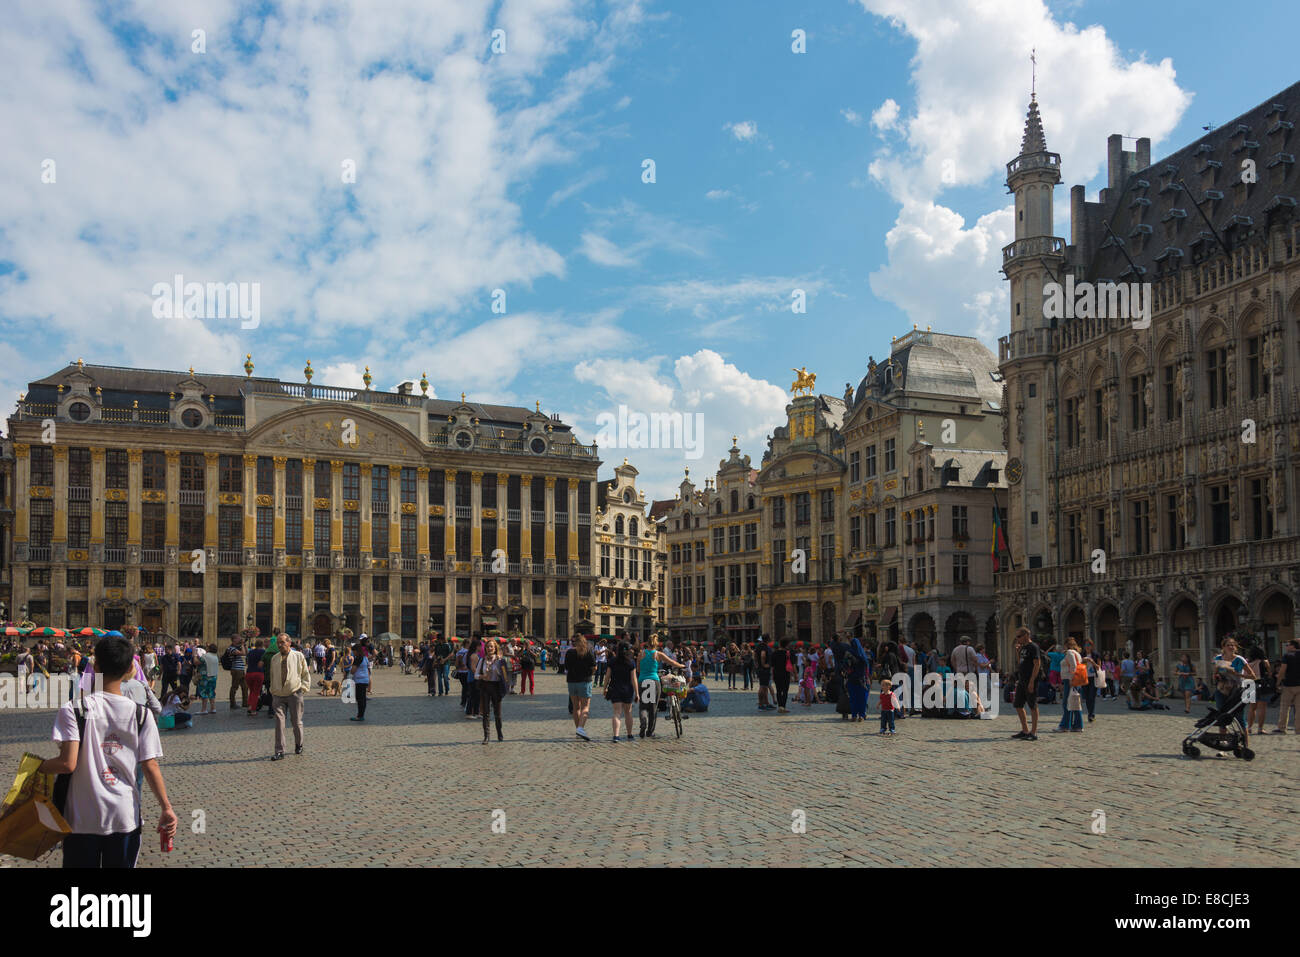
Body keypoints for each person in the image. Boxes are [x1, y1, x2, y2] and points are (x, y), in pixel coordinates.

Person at [39, 635, 178, 868]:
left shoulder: (74, 709)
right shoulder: (141, 714)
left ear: (96, 666)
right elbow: (150, 765)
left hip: (81, 818)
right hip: (123, 816)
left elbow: (67, 764)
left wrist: (36, 766)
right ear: (130, 669)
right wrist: (166, 807)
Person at [269, 634, 311, 759]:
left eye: (282, 642)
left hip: (294, 693)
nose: (279, 645)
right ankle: (279, 751)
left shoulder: (298, 656)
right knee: (279, 723)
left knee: (296, 722)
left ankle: (299, 744)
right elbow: (272, 675)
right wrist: (273, 689)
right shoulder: (274, 658)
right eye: (278, 643)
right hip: (278, 694)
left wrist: (303, 688)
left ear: (289, 643)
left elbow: (305, 673)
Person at [637, 635, 683, 739]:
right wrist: (681, 666)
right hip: (654, 681)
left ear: (647, 643)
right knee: (653, 707)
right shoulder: (658, 654)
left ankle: (643, 722)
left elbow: (638, 669)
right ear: (656, 643)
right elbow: (672, 662)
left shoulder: (641, 654)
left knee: (643, 707)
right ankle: (649, 731)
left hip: (642, 680)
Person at [472, 638, 507, 743]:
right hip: (485, 687)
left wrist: (497, 668)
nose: (489, 648)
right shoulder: (482, 660)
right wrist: (482, 676)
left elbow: (505, 676)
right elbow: (476, 675)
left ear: (495, 648)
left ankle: (499, 733)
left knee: (497, 713)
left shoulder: (500, 660)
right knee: (486, 712)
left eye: (491, 646)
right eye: (487, 647)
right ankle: (486, 736)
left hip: (496, 687)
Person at [1012, 627, 1041, 741]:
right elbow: (1021, 663)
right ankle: (1025, 730)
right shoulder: (1023, 648)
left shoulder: (1033, 647)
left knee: (1032, 705)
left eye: (1019, 636)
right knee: (1018, 705)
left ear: (1026, 635)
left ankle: (1033, 732)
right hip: (1022, 680)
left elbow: (1037, 664)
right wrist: (1018, 652)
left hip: (1030, 680)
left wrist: (1032, 681)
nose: (1017, 638)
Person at [565, 634, 596, 741]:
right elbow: (594, 667)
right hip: (584, 681)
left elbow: (566, 667)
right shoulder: (588, 652)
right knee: (585, 707)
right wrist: (589, 673)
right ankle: (580, 728)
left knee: (575, 707)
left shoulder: (569, 652)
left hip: (572, 682)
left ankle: (578, 730)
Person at [606, 641, 637, 742]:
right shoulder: (631, 662)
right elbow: (634, 679)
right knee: (628, 713)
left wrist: (605, 688)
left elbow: (607, 676)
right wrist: (637, 693)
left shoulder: (612, 661)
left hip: (615, 689)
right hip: (628, 689)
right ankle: (630, 735)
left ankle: (616, 735)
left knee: (617, 713)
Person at [1054, 638, 1084, 732]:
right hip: (1075, 680)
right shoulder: (1077, 653)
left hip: (1070, 680)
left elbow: (1074, 666)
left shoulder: (1070, 653)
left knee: (1066, 703)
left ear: (1067, 644)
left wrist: (1071, 679)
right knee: (1074, 703)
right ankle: (1077, 725)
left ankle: (1065, 725)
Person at [1271, 638, 1300, 734]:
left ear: (1293, 646)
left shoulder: (1287, 656)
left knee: (1284, 707)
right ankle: (1298, 729)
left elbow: (1282, 670)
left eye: (1288, 645)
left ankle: (1282, 728)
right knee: (1299, 708)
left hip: (1288, 685)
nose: (1286, 646)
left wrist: (1278, 682)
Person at [1244, 645, 1270, 735]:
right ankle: (1260, 728)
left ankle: (1249, 727)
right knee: (1262, 707)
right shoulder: (1263, 662)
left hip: (1249, 683)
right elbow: (1268, 672)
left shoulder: (1247, 661)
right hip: (1261, 684)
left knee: (1252, 708)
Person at [845, 637, 869, 722]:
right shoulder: (862, 654)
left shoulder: (848, 654)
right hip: (861, 679)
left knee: (853, 698)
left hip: (852, 678)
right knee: (862, 698)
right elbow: (866, 666)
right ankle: (861, 715)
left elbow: (846, 666)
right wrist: (867, 678)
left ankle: (854, 715)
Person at [223, 635, 248, 710]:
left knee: (245, 687)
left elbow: (246, 652)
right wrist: (242, 645)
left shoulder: (238, 647)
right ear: (234, 640)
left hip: (241, 669)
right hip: (236, 670)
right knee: (234, 687)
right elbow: (242, 653)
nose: (240, 639)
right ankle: (232, 703)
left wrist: (244, 645)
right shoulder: (231, 648)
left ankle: (245, 703)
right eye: (238, 638)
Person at [195, 643, 220, 715]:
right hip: (214, 676)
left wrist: (194, 655)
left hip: (205, 676)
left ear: (209, 649)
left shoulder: (206, 656)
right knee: (211, 692)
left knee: (203, 692)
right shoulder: (216, 656)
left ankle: (204, 709)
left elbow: (196, 662)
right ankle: (213, 708)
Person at [350, 639, 372, 721]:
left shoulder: (358, 658)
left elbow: (353, 671)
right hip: (365, 679)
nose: (353, 653)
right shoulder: (365, 658)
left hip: (359, 680)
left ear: (356, 651)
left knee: (360, 698)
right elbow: (368, 668)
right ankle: (361, 715)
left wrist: (350, 671)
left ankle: (360, 716)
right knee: (362, 698)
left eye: (354, 651)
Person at [771, 638, 795, 714]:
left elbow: (772, 665)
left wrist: (772, 674)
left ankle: (780, 707)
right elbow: (792, 664)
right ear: (786, 645)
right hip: (786, 673)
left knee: (778, 690)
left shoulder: (774, 653)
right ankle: (783, 707)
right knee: (785, 690)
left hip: (776, 673)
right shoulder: (788, 653)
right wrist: (794, 674)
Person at [753, 636, 774, 711]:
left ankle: (766, 703)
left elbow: (755, 656)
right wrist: (764, 664)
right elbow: (763, 655)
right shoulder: (764, 647)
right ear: (768, 640)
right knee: (762, 687)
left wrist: (756, 664)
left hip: (760, 669)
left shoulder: (758, 647)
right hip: (764, 669)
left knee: (764, 687)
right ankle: (761, 704)